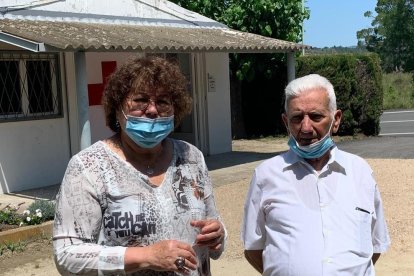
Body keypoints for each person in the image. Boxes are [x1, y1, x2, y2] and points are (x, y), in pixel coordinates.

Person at [53, 56, 226, 275]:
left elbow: (214, 229)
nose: (153, 110)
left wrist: (218, 235)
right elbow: (66, 254)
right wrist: (146, 257)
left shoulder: (191, 157)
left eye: (163, 101)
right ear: (118, 109)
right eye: (141, 100)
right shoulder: (88, 166)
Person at [241, 74, 390, 275]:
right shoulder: (266, 175)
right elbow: (253, 249)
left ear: (336, 120)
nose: (305, 127)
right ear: (286, 122)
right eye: (297, 118)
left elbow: (374, 248)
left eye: (316, 116)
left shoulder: (361, 172)